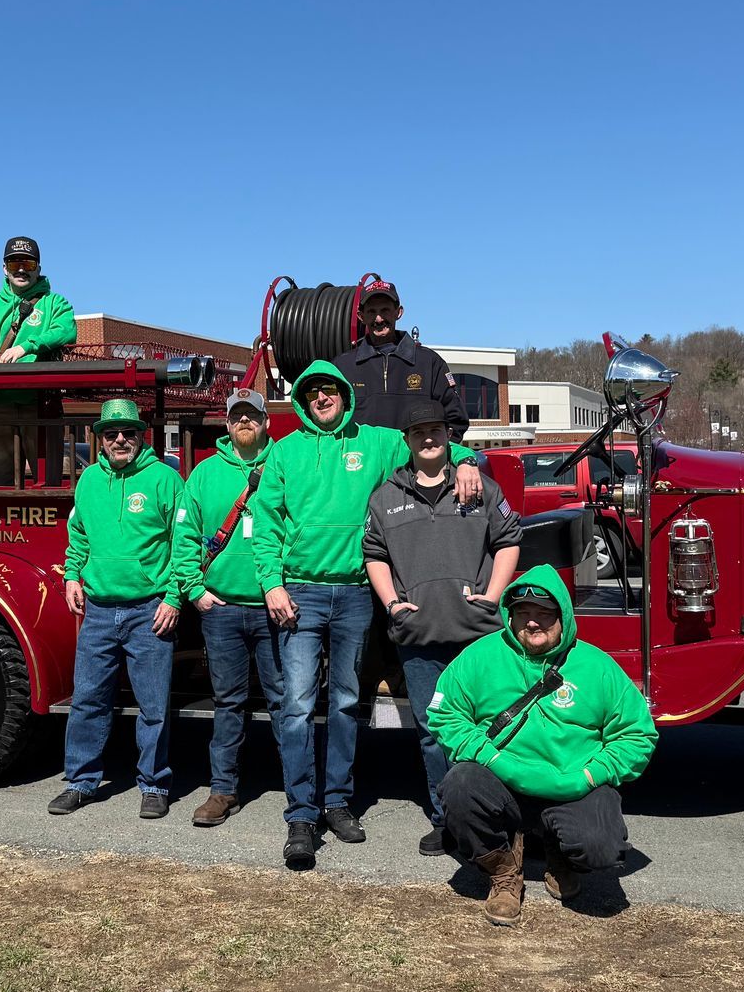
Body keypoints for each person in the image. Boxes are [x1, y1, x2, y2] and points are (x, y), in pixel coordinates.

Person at [252, 360, 482, 869]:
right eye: (312, 393)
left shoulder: (376, 442)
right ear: (303, 400)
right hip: (299, 594)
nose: (321, 399)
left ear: (344, 396)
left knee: (346, 703)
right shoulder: (286, 452)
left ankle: (336, 802)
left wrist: (472, 461)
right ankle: (301, 814)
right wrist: (272, 584)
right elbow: (265, 524)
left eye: (330, 390)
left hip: (356, 595)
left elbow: (431, 446)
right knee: (295, 707)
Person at [425, 566, 658, 927]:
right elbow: (444, 715)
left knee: (602, 849)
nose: (532, 623)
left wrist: (591, 773)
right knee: (459, 786)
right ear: (510, 615)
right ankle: (504, 870)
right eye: (523, 614)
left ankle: (559, 854)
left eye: (544, 614)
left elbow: (638, 734)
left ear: (563, 616)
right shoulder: (479, 656)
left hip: (573, 784)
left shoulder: (597, 666)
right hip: (502, 778)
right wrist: (489, 756)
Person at [363, 398, 521, 856]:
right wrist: (392, 603)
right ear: (407, 442)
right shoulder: (386, 497)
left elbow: (509, 540)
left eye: (436, 431)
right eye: (419, 433)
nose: (429, 439)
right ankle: (446, 818)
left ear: (448, 437)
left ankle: (494, 819)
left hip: (478, 635)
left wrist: (492, 596)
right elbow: (375, 554)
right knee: (433, 732)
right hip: (419, 636)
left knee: (489, 727)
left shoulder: (479, 488)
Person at [48, 398, 188, 819]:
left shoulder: (165, 479)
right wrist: (72, 575)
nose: (120, 439)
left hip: (150, 611)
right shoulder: (89, 480)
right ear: (101, 440)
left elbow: (185, 543)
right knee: (88, 701)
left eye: (128, 432)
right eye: (112, 434)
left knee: (153, 706)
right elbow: (79, 535)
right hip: (99, 610)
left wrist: (173, 597)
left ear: (142, 437)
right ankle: (81, 782)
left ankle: (154, 784)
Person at [172, 387, 280, 827]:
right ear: (227, 423)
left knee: (286, 703)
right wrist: (196, 592)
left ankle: (300, 791)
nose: (244, 423)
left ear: (265, 422)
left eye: (251, 416)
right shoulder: (204, 475)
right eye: (236, 416)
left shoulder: (283, 466)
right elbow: (183, 538)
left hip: (275, 609)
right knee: (228, 702)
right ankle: (223, 790)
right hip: (222, 610)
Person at [0, 235, 77, 486]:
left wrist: (27, 346)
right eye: (14, 264)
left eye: (29, 264)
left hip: (41, 405)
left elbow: (66, 330)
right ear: (4, 268)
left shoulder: (54, 303)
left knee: (47, 483)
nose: (22, 269)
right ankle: (3, 526)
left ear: (39, 268)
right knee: (0, 481)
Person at [332, 279, 469, 440]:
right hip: (360, 464)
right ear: (361, 316)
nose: (379, 319)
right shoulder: (342, 367)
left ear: (399, 312)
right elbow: (329, 422)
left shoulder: (429, 363)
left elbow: (455, 420)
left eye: (385, 310)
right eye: (371, 312)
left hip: (414, 464)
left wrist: (432, 460)